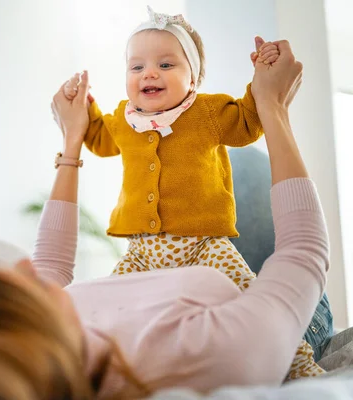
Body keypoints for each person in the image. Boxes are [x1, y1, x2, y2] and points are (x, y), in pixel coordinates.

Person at [0, 39, 327, 400]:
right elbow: (303, 253)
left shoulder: (52, 339)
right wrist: (273, 108)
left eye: (164, 63)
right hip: (241, 276)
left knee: (221, 164)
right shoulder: (217, 352)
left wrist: (73, 140)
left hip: (157, 252)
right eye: (9, 291)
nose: (22, 269)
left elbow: (50, 264)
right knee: (245, 173)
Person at [61, 7, 323, 379]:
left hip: (205, 246)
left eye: (166, 65)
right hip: (141, 254)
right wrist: (87, 110)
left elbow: (250, 121)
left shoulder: (209, 111)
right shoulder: (124, 118)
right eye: (136, 68)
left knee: (258, 303)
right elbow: (101, 139)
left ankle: (301, 368)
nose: (149, 73)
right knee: (106, 313)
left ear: (194, 77)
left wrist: (261, 77)